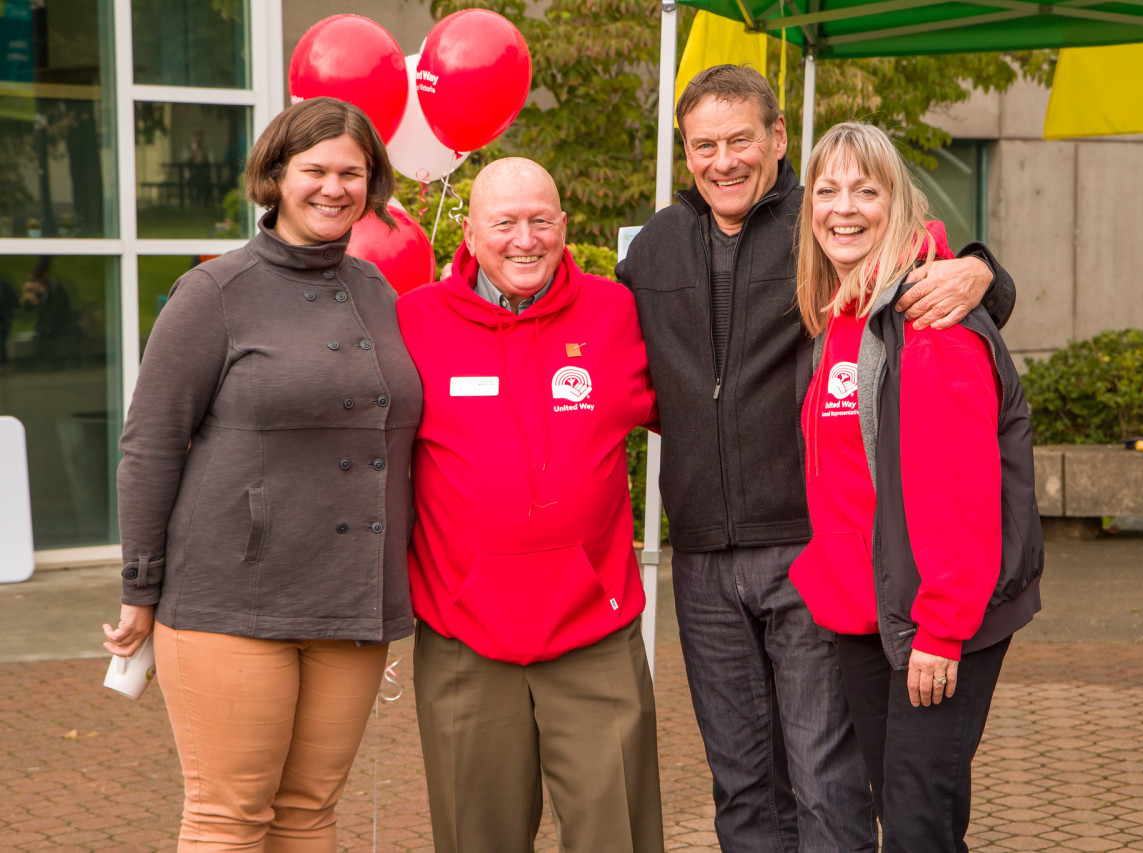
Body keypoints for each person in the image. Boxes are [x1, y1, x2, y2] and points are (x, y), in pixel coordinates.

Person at [615, 64, 1017, 852]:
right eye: (704, 145)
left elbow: (916, 265)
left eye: (740, 140)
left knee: (825, 780)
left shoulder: (822, 220)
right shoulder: (657, 247)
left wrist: (982, 268)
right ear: (684, 151)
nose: (723, 160)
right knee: (740, 785)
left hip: (811, 551)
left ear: (775, 138)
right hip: (702, 560)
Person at [103, 97, 423, 850]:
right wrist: (139, 588)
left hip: (350, 600)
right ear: (276, 175)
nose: (333, 187)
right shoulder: (214, 293)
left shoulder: (377, 291)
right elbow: (149, 445)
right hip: (231, 600)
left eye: (353, 172)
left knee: (310, 811)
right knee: (230, 816)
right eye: (314, 169)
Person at [395, 157, 663, 853]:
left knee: (619, 839)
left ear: (565, 227)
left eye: (541, 220)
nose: (525, 238)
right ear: (471, 233)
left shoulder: (616, 311)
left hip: (593, 629)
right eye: (505, 222)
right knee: (474, 838)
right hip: (463, 635)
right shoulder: (412, 321)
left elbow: (713, 391)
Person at [789, 120, 1043, 852]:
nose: (844, 207)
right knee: (913, 817)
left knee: (915, 826)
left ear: (896, 201)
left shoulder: (928, 320)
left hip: (935, 617)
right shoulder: (843, 316)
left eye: (865, 190)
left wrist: (941, 626)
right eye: (828, 190)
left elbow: (958, 492)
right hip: (867, 613)